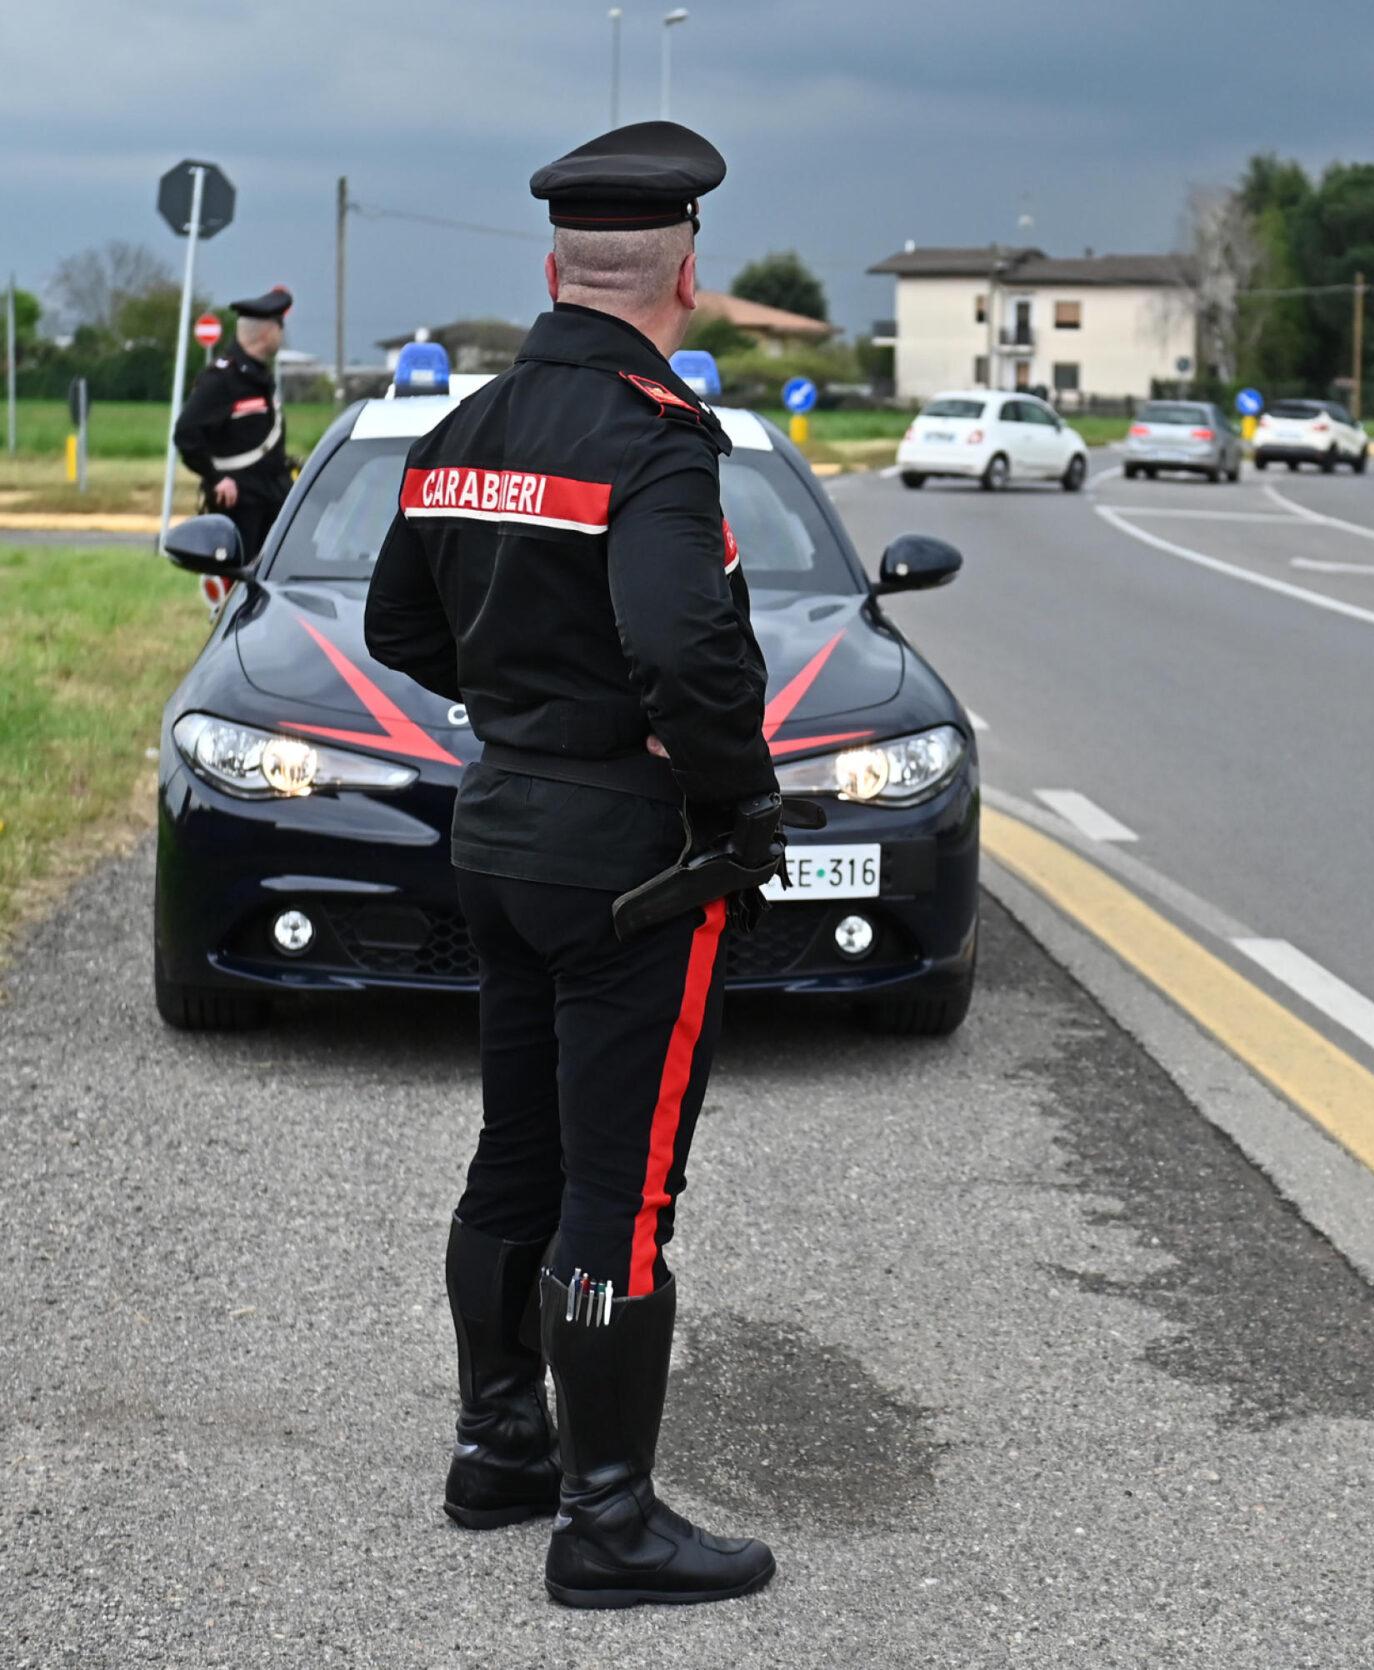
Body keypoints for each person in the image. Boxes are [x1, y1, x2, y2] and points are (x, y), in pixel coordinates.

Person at [362, 121, 783, 1610]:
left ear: (556, 266)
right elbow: (686, 643)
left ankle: (501, 1447)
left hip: (499, 839)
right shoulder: (656, 436)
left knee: (515, 1155)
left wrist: (524, 710)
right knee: (623, 1192)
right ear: (687, 274)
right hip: (630, 868)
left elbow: (398, 632)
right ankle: (607, 1523)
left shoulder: (461, 431)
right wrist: (738, 801)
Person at [173, 287, 295, 558]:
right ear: (267, 332)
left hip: (271, 498)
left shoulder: (259, 377)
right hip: (240, 507)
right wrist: (216, 479)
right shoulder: (221, 380)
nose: (282, 335)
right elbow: (186, 434)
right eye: (280, 328)